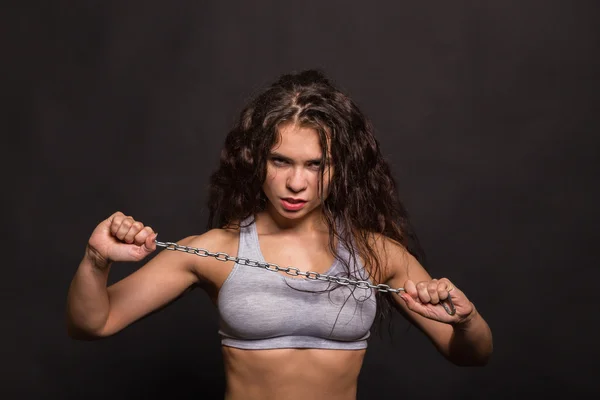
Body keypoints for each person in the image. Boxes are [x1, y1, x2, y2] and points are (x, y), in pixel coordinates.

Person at [66, 70, 493, 400]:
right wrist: (95, 259)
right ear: (256, 160)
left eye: (315, 165)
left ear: (339, 168)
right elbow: (94, 323)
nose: (296, 183)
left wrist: (467, 319)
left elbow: (471, 354)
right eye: (281, 161)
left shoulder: (378, 254)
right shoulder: (216, 250)